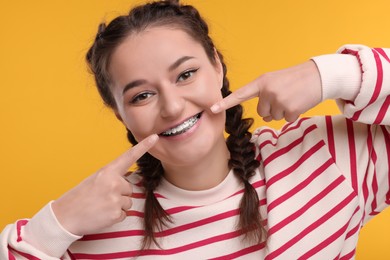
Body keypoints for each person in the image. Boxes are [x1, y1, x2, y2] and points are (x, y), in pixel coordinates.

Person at [1, 0, 389, 259]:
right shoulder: (95, 230)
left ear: (217, 68)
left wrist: (332, 75)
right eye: (141, 96)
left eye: (186, 74)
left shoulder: (327, 157)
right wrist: (56, 224)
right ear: (120, 115)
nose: (172, 107)